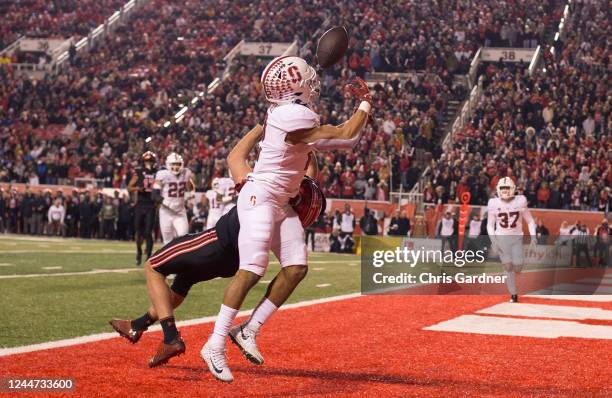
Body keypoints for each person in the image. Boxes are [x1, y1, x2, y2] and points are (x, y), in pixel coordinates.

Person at [201, 56, 372, 383]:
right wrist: (365, 104)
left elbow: (320, 143)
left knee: (296, 267)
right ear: (295, 87)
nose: (313, 85)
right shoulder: (294, 114)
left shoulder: (288, 113)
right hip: (260, 196)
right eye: (307, 80)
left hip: (280, 200)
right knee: (252, 269)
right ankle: (215, 343)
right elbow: (346, 136)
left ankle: (248, 330)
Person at [109, 125, 326, 368]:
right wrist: (305, 146)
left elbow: (234, 156)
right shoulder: (290, 201)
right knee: (183, 281)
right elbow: (309, 176)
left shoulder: (259, 184)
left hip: (217, 242)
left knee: (153, 267)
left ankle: (170, 338)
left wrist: (262, 127)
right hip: (232, 261)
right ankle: (137, 325)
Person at [487, 177, 537, 303]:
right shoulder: (493, 203)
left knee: (518, 268)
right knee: (508, 266)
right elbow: (489, 225)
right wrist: (494, 241)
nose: (504, 191)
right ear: (498, 189)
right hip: (501, 238)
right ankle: (513, 293)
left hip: (516, 238)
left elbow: (530, 220)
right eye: (502, 188)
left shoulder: (520, 201)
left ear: (513, 189)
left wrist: (534, 237)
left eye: (507, 188)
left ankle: (513, 283)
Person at [153, 153, 194, 244]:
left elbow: (190, 187)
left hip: (180, 212)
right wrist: (168, 203)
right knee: (167, 242)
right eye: (173, 164)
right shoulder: (162, 174)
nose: (176, 167)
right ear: (168, 164)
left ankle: (182, 258)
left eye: (178, 164)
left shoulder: (186, 173)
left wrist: (189, 194)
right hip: (166, 212)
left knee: (183, 239)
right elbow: (154, 195)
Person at [128, 151, 158, 265]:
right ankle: (139, 252)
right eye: (146, 161)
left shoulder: (157, 173)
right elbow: (129, 187)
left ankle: (149, 257)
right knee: (139, 232)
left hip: (151, 205)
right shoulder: (138, 172)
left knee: (148, 232)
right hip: (140, 205)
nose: (148, 163)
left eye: (150, 161)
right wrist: (137, 189)